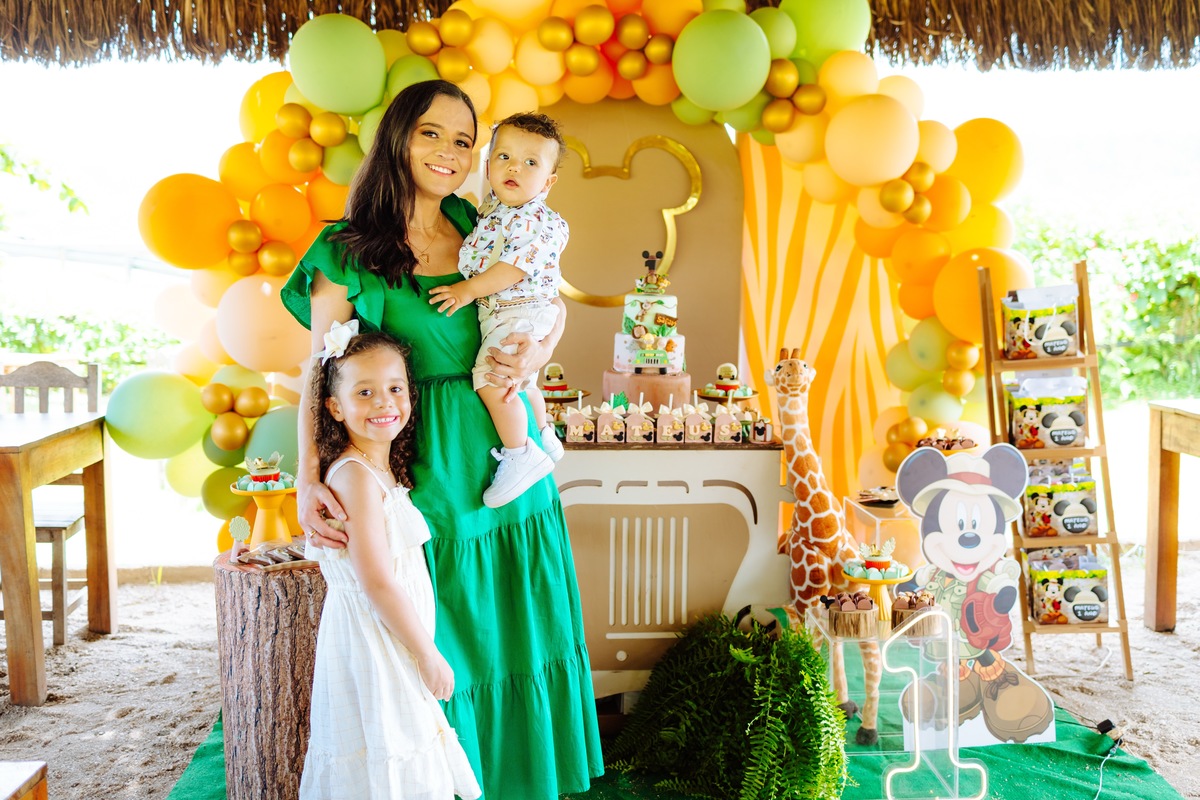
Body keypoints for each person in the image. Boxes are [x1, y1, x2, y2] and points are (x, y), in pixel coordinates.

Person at [281, 79, 603, 800]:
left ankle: (520, 783)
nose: (450, 152)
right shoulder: (344, 249)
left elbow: (543, 299)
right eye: (432, 132)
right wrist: (309, 477)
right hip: (417, 467)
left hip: (503, 463)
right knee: (441, 642)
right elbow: (317, 371)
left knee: (512, 635)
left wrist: (541, 348)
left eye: (464, 140)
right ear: (398, 136)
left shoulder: (481, 219)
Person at [299, 325, 481, 800]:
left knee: (402, 748)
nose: (385, 403)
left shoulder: (378, 468)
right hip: (374, 640)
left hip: (390, 634)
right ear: (335, 408)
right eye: (365, 392)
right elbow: (377, 582)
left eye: (395, 389)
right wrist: (428, 653)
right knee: (388, 753)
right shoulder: (354, 478)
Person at [427, 112, 568, 509]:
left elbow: (513, 268)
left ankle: (522, 452)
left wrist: (466, 290)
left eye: (530, 163)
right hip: (510, 312)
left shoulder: (535, 219)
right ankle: (543, 433)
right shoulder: (492, 210)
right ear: (488, 166)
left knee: (493, 379)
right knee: (525, 384)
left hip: (517, 309)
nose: (514, 168)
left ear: (548, 181)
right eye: (504, 157)